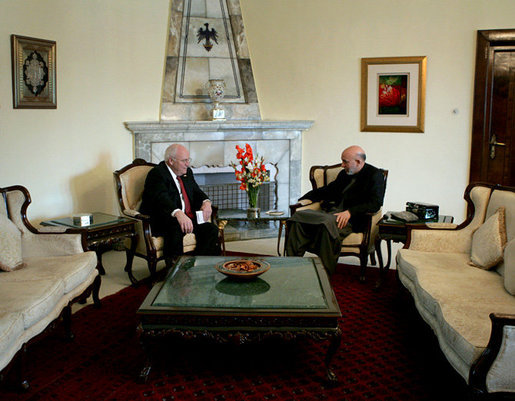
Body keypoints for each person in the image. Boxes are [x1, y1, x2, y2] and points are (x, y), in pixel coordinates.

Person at [285, 145, 385, 275]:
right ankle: (292, 265)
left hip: (351, 220)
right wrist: (304, 199)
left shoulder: (375, 175)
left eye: (345, 161)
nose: (342, 165)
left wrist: (350, 212)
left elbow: (375, 203)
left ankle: (324, 273)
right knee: (298, 219)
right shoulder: (344, 174)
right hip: (330, 213)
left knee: (327, 223)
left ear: (358, 162)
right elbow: (328, 190)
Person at [140, 144, 221, 264]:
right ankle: (174, 271)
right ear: (171, 161)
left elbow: (196, 191)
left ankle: (198, 265)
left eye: (188, 160)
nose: (187, 164)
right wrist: (178, 213)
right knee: (176, 227)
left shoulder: (186, 172)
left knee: (211, 229)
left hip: (187, 217)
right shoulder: (157, 174)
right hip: (164, 219)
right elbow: (161, 198)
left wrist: (206, 202)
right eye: (184, 160)